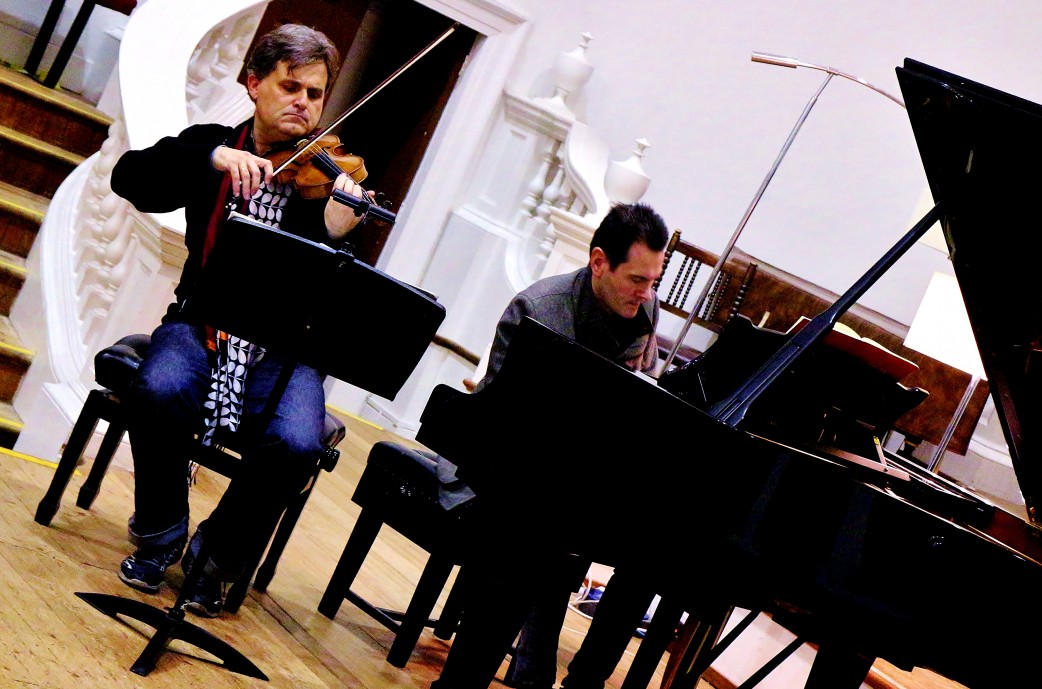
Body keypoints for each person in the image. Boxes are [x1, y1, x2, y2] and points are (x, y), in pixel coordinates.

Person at [108, 23, 369, 618]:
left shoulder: (329, 180)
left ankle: (213, 559)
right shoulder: (214, 146)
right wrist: (209, 159)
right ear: (254, 84)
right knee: (159, 387)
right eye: (290, 87)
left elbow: (339, 297)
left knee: (297, 442)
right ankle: (160, 534)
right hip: (199, 324)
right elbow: (131, 178)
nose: (304, 103)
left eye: (315, 94)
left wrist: (335, 235)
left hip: (284, 350)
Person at [430, 201, 669, 689]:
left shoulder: (644, 307)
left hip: (581, 481)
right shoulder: (538, 309)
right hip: (498, 471)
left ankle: (583, 683)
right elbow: (494, 425)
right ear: (599, 262)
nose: (646, 293)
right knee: (536, 537)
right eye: (636, 280)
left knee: (655, 552)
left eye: (653, 281)